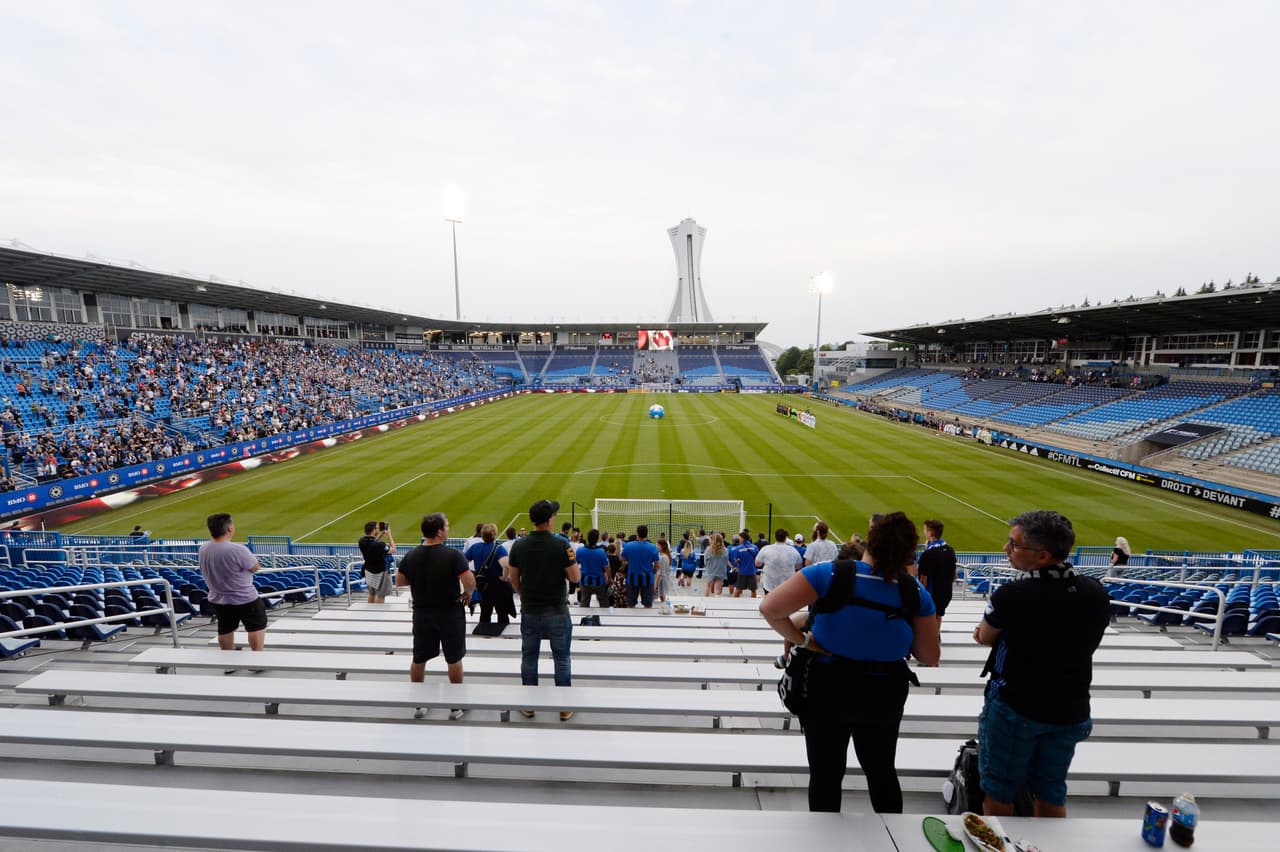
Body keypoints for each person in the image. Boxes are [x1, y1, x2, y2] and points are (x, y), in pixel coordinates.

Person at [760, 511, 941, 813]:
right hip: (884, 690)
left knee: (825, 774)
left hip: (828, 687)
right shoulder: (914, 591)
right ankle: (891, 835)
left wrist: (804, 641)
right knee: (881, 770)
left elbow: (770, 609)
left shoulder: (829, 574)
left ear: (870, 539)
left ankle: (826, 836)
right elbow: (929, 656)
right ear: (909, 552)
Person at [973, 510, 1110, 818]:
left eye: (1013, 544)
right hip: (1071, 709)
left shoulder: (1013, 594)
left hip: (1015, 708)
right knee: (1051, 792)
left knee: (999, 791)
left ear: (1043, 555)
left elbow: (985, 635)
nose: (1006, 549)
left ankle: (998, 840)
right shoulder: (1095, 591)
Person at [396, 512, 474, 719]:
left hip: (422, 613)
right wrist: (468, 593)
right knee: (454, 658)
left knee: (419, 657)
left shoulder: (411, 555)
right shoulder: (453, 555)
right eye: (446, 526)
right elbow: (469, 581)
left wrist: (421, 580)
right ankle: (456, 706)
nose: (448, 529)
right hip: (449, 612)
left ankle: (419, 704)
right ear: (439, 532)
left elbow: (400, 581)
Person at [508, 499, 580, 720]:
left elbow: (513, 579)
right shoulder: (562, 545)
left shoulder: (519, 545)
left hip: (531, 609)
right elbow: (575, 577)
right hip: (556, 609)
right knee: (562, 658)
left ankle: (530, 705)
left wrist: (524, 594)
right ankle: (564, 707)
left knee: (529, 657)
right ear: (549, 520)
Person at [199, 512, 266, 653]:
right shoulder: (237, 549)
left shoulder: (203, 548)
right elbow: (255, 567)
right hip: (244, 598)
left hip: (219, 599)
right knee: (256, 627)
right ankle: (257, 658)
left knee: (225, 628)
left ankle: (227, 659)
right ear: (229, 528)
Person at [465, 523, 514, 632]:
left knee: (485, 612)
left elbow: (463, 563)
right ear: (495, 534)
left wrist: (471, 576)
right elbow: (506, 565)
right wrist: (504, 578)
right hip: (497, 585)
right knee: (502, 613)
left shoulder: (475, 547)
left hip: (482, 585)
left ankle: (483, 635)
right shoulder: (499, 549)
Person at [916, 519, 957, 625]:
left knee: (929, 620)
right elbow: (954, 576)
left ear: (930, 532)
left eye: (925, 530)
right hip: (946, 594)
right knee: (938, 616)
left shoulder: (928, 554)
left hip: (931, 595)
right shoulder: (950, 550)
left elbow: (923, 581)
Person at [620, 524, 660, 608]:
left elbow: (622, 558)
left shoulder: (628, 545)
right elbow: (657, 565)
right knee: (647, 604)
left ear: (637, 533)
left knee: (631, 604)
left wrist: (631, 560)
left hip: (632, 577)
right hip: (647, 577)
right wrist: (653, 571)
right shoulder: (653, 547)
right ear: (646, 534)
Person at [357, 520, 396, 604]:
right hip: (381, 572)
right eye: (377, 528)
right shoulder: (380, 545)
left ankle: (370, 611)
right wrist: (389, 535)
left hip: (368, 571)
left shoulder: (361, 541)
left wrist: (381, 535)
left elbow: (372, 543)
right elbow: (393, 550)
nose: (378, 530)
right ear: (373, 530)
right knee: (381, 595)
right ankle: (378, 612)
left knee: (372, 594)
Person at [757, 528, 803, 594]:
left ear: (775, 537)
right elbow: (799, 566)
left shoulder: (766, 549)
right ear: (785, 538)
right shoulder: (793, 551)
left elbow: (757, 563)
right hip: (784, 585)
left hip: (771, 585)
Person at [576, 529, 611, 608]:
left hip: (585, 581)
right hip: (599, 582)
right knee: (604, 604)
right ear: (597, 539)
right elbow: (607, 568)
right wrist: (609, 579)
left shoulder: (580, 551)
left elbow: (575, 565)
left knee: (584, 604)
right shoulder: (601, 552)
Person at [730, 532, 759, 598]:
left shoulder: (737, 548)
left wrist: (740, 563)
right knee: (753, 590)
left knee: (738, 589)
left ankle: (735, 603)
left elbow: (735, 560)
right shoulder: (755, 547)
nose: (739, 539)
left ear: (742, 538)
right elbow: (757, 559)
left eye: (739, 538)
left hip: (742, 571)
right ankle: (753, 603)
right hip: (752, 571)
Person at [655, 538, 675, 602]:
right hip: (663, 579)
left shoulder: (663, 557)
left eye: (658, 545)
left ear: (663, 546)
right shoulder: (663, 556)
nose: (656, 547)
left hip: (662, 580)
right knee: (662, 597)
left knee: (662, 597)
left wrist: (655, 584)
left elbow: (661, 573)